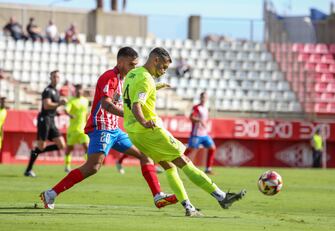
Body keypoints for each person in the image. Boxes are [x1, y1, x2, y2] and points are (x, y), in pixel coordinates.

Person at [39, 47, 177, 210]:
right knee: (93, 167)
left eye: (136, 64)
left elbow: (136, 93)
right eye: (131, 64)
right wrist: (131, 115)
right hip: (102, 127)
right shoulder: (109, 77)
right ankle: (51, 193)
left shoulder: (123, 79)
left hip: (115, 130)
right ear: (120, 62)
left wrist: (155, 87)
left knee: (145, 155)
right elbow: (106, 105)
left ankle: (157, 196)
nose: (134, 68)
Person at [122, 47, 246, 217]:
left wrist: (156, 87)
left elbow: (133, 94)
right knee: (184, 161)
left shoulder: (133, 74)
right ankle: (221, 196)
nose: (164, 71)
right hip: (149, 130)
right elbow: (137, 104)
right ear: (155, 60)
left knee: (169, 165)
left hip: (133, 132)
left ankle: (189, 207)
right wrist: (144, 121)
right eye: (163, 67)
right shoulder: (146, 80)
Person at [24, 70, 67, 177]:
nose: (56, 78)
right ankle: (28, 170)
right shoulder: (47, 90)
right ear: (50, 78)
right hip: (44, 120)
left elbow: (52, 107)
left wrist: (57, 112)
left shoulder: (56, 91)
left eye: (57, 77)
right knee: (42, 146)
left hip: (51, 120)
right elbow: (47, 105)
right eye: (54, 77)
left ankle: (36, 151)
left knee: (61, 145)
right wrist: (59, 103)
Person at [184, 92, 216, 174]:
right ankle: (175, 161)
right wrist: (199, 120)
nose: (204, 99)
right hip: (196, 134)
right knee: (190, 150)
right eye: (202, 97)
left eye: (205, 97)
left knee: (212, 148)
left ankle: (208, 169)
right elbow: (191, 117)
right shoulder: (196, 107)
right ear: (200, 98)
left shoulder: (206, 108)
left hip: (204, 134)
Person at [63, 84, 89, 173]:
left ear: (82, 91)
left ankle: (87, 164)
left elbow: (86, 114)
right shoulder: (71, 100)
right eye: (77, 89)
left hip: (83, 129)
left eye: (80, 89)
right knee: (69, 148)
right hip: (73, 129)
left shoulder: (85, 101)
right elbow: (66, 109)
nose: (78, 91)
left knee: (87, 146)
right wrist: (69, 114)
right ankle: (67, 165)